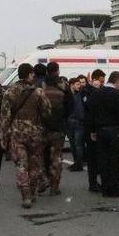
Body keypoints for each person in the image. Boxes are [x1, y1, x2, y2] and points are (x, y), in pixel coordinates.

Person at [0, 63, 51, 209]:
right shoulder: (38, 92)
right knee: (35, 164)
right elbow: (47, 111)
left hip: (17, 133)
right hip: (35, 132)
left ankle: (26, 195)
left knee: (21, 165)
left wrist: (3, 136)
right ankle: (33, 192)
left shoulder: (9, 92)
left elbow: (4, 117)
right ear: (29, 74)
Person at [86, 71, 119, 197]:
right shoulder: (118, 95)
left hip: (100, 130)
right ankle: (114, 188)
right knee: (115, 161)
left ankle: (105, 188)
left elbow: (90, 113)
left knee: (103, 160)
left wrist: (92, 130)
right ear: (118, 81)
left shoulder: (96, 93)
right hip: (115, 131)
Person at [40, 63, 69, 196]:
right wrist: (62, 117)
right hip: (58, 127)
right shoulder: (63, 87)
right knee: (56, 157)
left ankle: (44, 179)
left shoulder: (40, 87)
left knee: (42, 156)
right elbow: (70, 105)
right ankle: (54, 186)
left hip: (42, 127)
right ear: (57, 71)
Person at [81, 69, 105, 193]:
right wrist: (92, 88)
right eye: (100, 81)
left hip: (99, 127)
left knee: (99, 156)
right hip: (91, 128)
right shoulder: (87, 91)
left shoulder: (100, 90)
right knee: (93, 158)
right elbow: (88, 105)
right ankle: (93, 183)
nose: (102, 83)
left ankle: (97, 181)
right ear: (94, 80)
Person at [66, 77, 85, 171]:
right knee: (72, 144)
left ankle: (79, 164)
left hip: (78, 122)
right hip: (70, 122)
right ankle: (76, 162)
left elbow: (81, 110)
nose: (79, 86)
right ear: (71, 85)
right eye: (77, 84)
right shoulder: (67, 95)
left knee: (78, 144)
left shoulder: (80, 94)